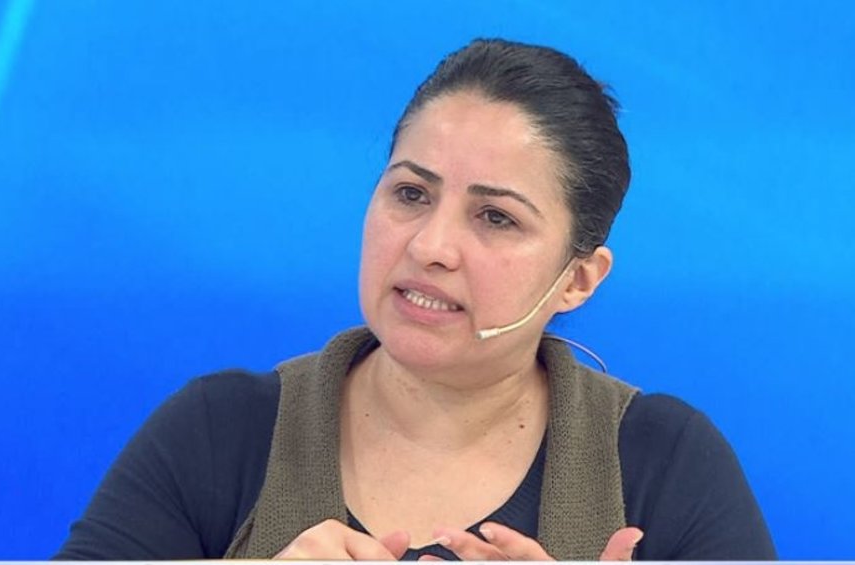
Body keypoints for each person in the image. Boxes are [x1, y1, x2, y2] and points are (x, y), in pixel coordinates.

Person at [55, 38, 776, 561]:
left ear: (577, 279)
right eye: (411, 193)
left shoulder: (664, 463)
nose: (432, 245)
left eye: (495, 217)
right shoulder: (220, 433)